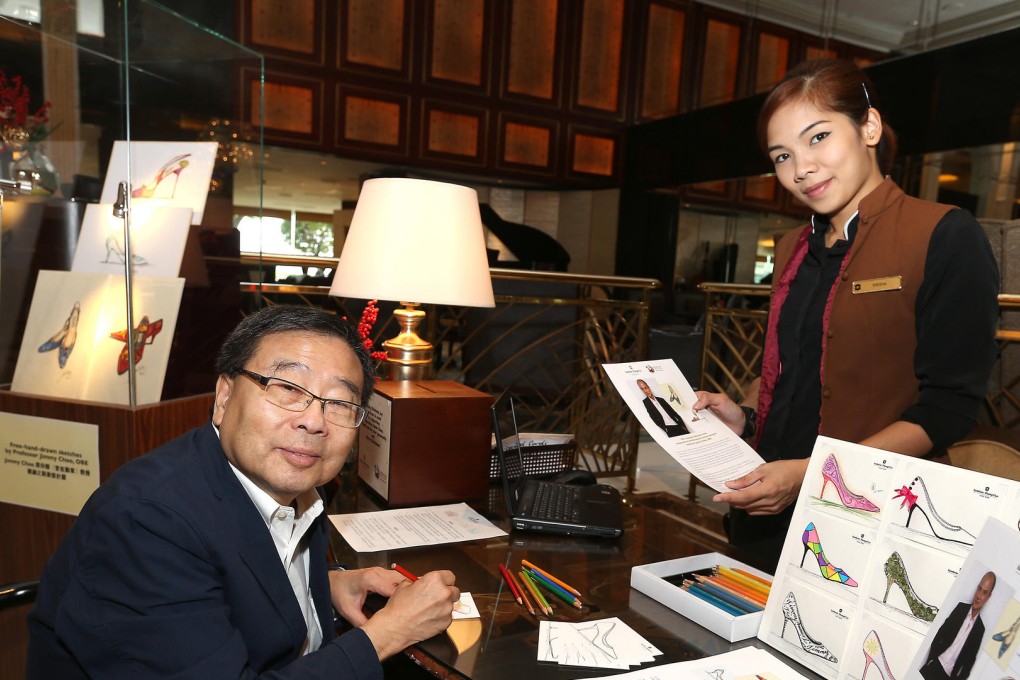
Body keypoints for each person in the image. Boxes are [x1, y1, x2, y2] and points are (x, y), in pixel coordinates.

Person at [26, 306, 460, 678]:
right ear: (224, 396)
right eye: (288, 389)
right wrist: (389, 633)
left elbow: (236, 568)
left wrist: (324, 586)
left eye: (340, 404)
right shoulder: (145, 523)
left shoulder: (291, 482)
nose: (315, 421)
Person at [693, 59, 1000, 569]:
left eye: (818, 138)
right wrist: (745, 416)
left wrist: (813, 473)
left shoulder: (944, 233)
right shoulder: (792, 245)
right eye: (782, 155)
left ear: (869, 127)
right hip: (768, 507)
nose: (801, 168)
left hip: (870, 519)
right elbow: (794, 368)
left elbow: (946, 408)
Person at [920, 571, 996, 680]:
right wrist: (931, 660)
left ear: (989, 596)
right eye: (979, 589)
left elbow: (969, 664)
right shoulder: (960, 608)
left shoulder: (980, 629)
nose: (979, 596)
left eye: (984, 592)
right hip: (933, 666)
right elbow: (941, 632)